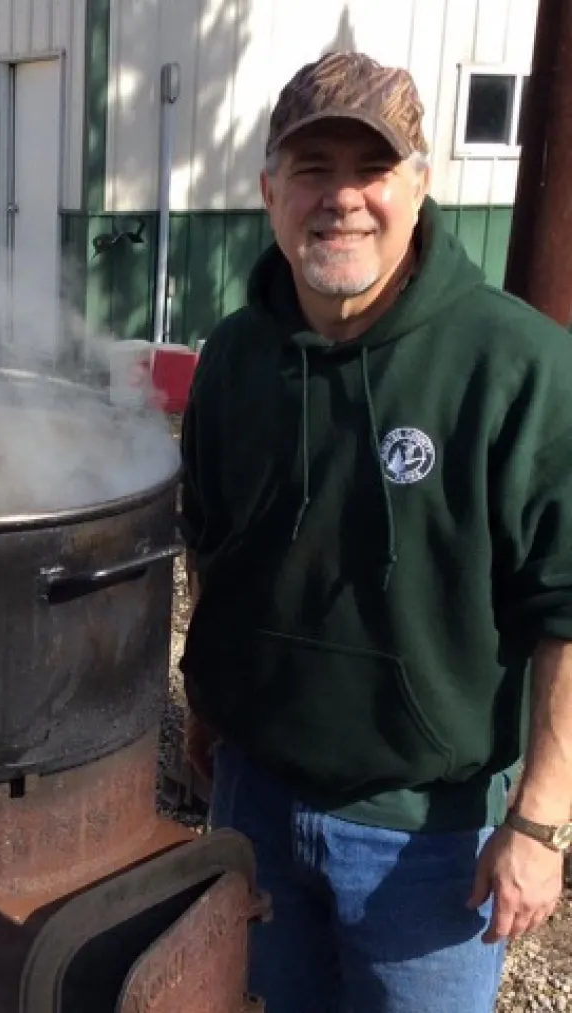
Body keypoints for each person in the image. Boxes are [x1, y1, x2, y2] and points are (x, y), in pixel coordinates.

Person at [178, 50, 572, 1013]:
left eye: (373, 168)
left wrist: (541, 821)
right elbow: (212, 544)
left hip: (426, 840)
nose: (342, 198)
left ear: (422, 184)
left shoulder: (517, 365)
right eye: (314, 169)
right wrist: (206, 702)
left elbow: (566, 602)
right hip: (254, 807)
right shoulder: (232, 360)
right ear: (270, 190)